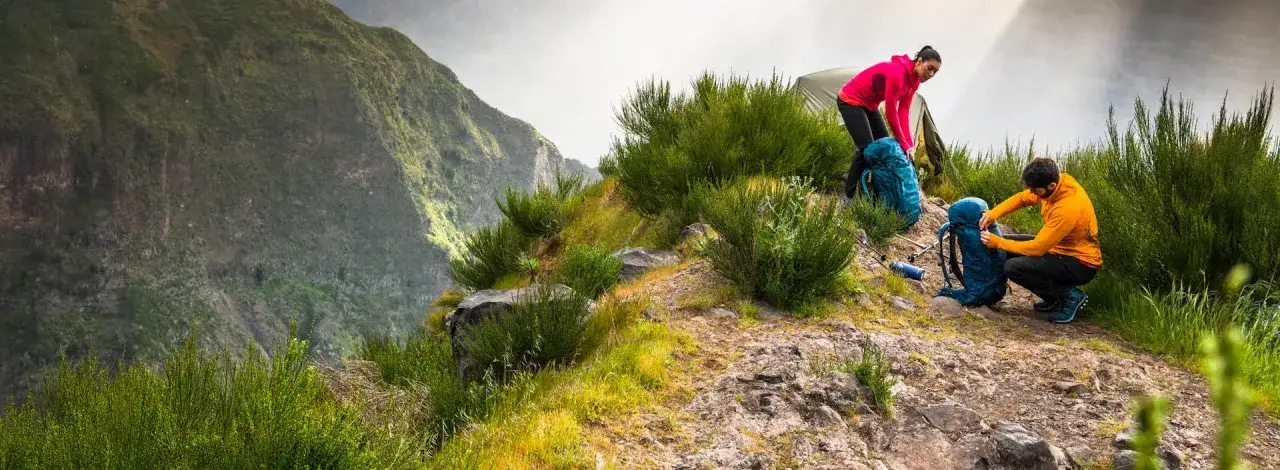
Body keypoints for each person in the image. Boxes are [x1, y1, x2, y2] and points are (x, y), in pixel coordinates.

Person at [978, 157, 1102, 324]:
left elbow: (1037, 248)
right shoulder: (1053, 184)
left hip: (1080, 263)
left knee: (1013, 267)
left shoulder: (1067, 207)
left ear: (1051, 186)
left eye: (1036, 190)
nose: (1033, 194)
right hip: (1059, 249)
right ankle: (1054, 299)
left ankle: (1070, 296)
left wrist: (997, 242)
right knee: (1005, 246)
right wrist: (993, 214)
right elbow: (1022, 199)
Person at [838, 45, 942, 198]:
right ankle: (850, 194)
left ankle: (871, 185)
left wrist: (909, 145)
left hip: (869, 104)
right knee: (868, 149)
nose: (931, 74)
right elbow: (891, 112)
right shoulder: (897, 74)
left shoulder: (914, 81)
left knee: (886, 146)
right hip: (850, 100)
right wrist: (903, 142)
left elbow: (903, 111)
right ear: (919, 62)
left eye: (935, 71)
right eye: (929, 68)